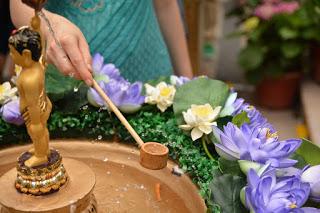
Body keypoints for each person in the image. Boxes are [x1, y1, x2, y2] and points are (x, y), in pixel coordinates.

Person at [10, 0, 193, 85]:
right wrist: (51, 26)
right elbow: (20, 6)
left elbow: (166, 5)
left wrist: (188, 84)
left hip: (153, 82)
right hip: (69, 81)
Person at [9, 16, 52, 167]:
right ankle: (43, 149)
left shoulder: (29, 79)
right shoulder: (37, 63)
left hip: (34, 111)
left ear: (26, 55)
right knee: (42, 130)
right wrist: (37, 27)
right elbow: (40, 42)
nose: (11, 56)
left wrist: (34, 122)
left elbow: (32, 103)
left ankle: (41, 155)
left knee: (36, 131)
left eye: (13, 53)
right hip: (43, 104)